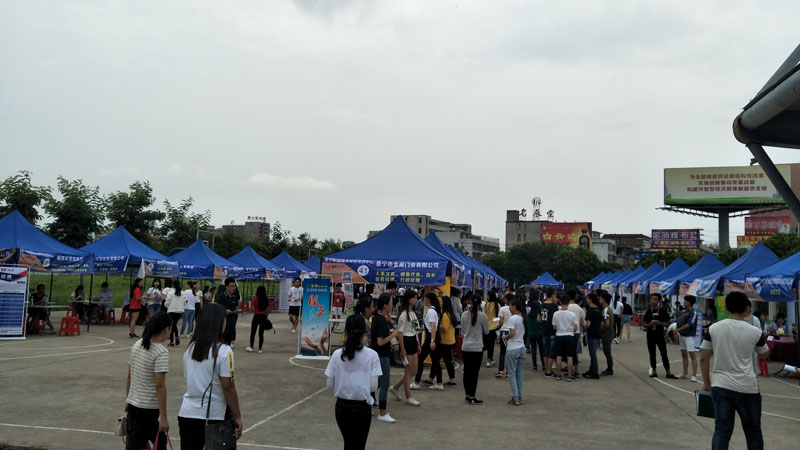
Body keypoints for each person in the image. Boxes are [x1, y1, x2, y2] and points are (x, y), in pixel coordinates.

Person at [701, 292, 770, 450]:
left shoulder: (713, 329)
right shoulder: (755, 331)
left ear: (726, 307)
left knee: (722, 431)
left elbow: (704, 358)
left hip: (720, 385)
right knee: (753, 432)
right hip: (748, 387)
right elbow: (764, 354)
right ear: (747, 309)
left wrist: (706, 383)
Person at [178, 303, 243, 449]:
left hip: (187, 413)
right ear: (220, 323)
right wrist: (237, 416)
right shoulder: (224, 351)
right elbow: (228, 387)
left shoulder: (190, 349)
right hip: (214, 416)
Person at [325, 314, 382, 450]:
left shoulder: (337, 354)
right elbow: (373, 386)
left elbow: (329, 384)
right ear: (364, 332)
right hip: (361, 408)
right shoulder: (372, 355)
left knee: (348, 443)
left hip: (341, 407)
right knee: (359, 445)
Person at [124, 312, 171, 450]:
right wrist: (163, 417)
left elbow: (129, 376)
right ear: (166, 329)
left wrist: (128, 399)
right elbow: (160, 386)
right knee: (158, 444)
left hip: (134, 405)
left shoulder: (137, 345)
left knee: (136, 443)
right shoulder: (161, 352)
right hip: (149, 409)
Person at [371, 294, 402, 423]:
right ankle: (382, 413)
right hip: (381, 355)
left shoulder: (378, 318)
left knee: (377, 383)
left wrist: (389, 341)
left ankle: (369, 402)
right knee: (384, 384)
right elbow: (380, 342)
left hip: (379, 354)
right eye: (390, 303)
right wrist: (393, 335)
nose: (392, 305)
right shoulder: (380, 320)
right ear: (385, 305)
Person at [389, 290, 421, 407]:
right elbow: (400, 332)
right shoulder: (403, 315)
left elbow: (415, 329)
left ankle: (395, 387)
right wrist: (402, 350)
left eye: (416, 298)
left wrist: (418, 343)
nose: (416, 300)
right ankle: (408, 396)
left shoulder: (413, 313)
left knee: (414, 370)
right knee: (408, 371)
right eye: (414, 298)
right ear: (408, 299)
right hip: (406, 342)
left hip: (413, 341)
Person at [460, 293, 489, 404]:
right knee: (474, 373)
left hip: (466, 346)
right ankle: (472, 395)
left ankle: (467, 394)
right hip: (477, 347)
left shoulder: (464, 315)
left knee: (466, 371)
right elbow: (486, 331)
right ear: (480, 303)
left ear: (470, 301)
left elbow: (463, 330)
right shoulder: (483, 316)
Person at [644, 293, 677, 379]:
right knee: (652, 353)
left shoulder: (662, 311)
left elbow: (668, 323)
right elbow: (644, 323)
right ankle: (654, 371)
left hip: (660, 335)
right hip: (650, 335)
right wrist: (650, 324)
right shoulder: (648, 311)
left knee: (664, 353)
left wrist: (660, 323)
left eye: (655, 299)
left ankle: (668, 372)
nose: (653, 301)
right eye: (652, 299)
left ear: (658, 301)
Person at [415, 293, 443, 391]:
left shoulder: (431, 311)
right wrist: (421, 329)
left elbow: (433, 326)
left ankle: (417, 382)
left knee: (420, 358)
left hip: (431, 339)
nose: (423, 300)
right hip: (434, 338)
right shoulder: (434, 310)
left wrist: (432, 341)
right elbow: (431, 326)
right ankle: (439, 383)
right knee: (435, 361)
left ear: (428, 299)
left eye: (425, 298)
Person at [504, 298, 527, 405]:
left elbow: (512, 333)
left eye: (510, 305)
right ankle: (520, 396)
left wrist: (505, 336)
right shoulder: (523, 318)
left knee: (512, 373)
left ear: (515, 306)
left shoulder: (512, 318)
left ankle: (515, 396)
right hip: (521, 347)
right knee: (519, 374)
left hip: (513, 347)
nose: (509, 308)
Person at [675, 295, 703, 382]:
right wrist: (677, 332)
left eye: (685, 301)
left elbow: (689, 324)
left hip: (689, 336)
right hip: (681, 335)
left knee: (692, 355)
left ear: (689, 302)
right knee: (683, 354)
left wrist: (678, 330)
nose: (684, 302)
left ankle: (694, 375)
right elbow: (678, 322)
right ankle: (684, 373)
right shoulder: (683, 312)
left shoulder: (694, 313)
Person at [552, 296, 578, 381]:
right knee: (569, 356)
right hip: (569, 336)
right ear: (568, 303)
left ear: (560, 302)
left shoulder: (556, 314)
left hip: (559, 335)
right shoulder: (572, 314)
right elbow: (576, 327)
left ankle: (558, 374)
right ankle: (570, 375)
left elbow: (554, 327)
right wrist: (570, 330)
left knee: (558, 356)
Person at [539, 287, 560, 378]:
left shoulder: (541, 305)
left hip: (543, 330)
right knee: (551, 352)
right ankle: (548, 371)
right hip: (552, 330)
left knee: (545, 351)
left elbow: (538, 318)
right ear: (553, 295)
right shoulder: (554, 306)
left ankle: (546, 369)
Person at [438, 296, 457, 386]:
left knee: (441, 360)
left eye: (440, 302)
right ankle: (452, 379)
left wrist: (436, 324)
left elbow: (444, 328)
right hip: (449, 340)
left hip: (444, 341)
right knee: (447, 360)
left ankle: (452, 379)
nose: (439, 303)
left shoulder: (445, 315)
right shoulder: (450, 313)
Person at [215, 278, 240, 347]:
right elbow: (215, 308)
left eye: (234, 286)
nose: (233, 288)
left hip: (231, 322)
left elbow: (235, 306)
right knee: (220, 342)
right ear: (226, 287)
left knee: (228, 343)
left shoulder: (234, 297)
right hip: (222, 322)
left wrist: (237, 309)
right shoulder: (220, 296)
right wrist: (224, 310)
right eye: (231, 286)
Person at [246, 286, 272, 354]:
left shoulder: (255, 299)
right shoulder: (266, 299)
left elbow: (252, 309)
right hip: (263, 316)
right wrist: (266, 316)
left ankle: (251, 347)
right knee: (261, 333)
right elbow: (268, 310)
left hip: (256, 316)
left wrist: (250, 310)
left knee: (253, 332)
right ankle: (260, 349)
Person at [583, 293, 602, 379]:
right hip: (598, 333)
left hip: (592, 334)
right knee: (593, 352)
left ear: (590, 300)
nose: (586, 300)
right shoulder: (599, 310)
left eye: (587, 298)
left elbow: (588, 324)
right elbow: (602, 323)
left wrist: (585, 328)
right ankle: (591, 369)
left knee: (592, 354)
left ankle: (595, 372)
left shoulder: (590, 311)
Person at [567, 290, 585, 377]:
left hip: (566, 332)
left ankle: (571, 369)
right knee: (574, 352)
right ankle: (576, 369)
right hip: (576, 332)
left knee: (568, 352)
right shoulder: (579, 308)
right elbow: (583, 322)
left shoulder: (565, 307)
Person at [495, 294, 513, 378]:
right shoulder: (514, 309)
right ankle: (508, 372)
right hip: (511, 331)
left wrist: (498, 325)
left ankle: (501, 371)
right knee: (510, 352)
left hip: (503, 331)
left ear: (506, 300)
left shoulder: (503, 309)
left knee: (502, 352)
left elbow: (501, 321)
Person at [526, 290, 544, 371]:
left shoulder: (529, 314)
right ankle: (544, 365)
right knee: (541, 349)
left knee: (533, 349)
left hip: (531, 332)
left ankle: (535, 366)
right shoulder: (539, 314)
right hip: (539, 332)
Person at [599, 293, 616, 377]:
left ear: (604, 299)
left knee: (607, 352)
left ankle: (610, 369)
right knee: (607, 351)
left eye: (601, 298)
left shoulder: (606, 310)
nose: (599, 300)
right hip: (610, 333)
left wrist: (601, 329)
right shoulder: (609, 309)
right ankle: (609, 369)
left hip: (607, 334)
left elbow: (607, 323)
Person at [482, 291, 501, 368]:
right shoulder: (498, 305)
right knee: (491, 345)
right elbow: (499, 316)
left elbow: (484, 315)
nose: (486, 296)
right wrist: (495, 322)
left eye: (487, 295)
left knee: (484, 344)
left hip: (486, 327)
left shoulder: (487, 305)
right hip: (494, 328)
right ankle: (489, 360)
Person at [163, 278, 184, 347]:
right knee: (174, 324)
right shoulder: (182, 292)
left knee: (171, 326)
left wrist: (166, 306)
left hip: (171, 311)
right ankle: (177, 337)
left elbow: (167, 302)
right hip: (179, 311)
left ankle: (172, 341)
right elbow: (184, 301)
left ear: (173, 285)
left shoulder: (170, 292)